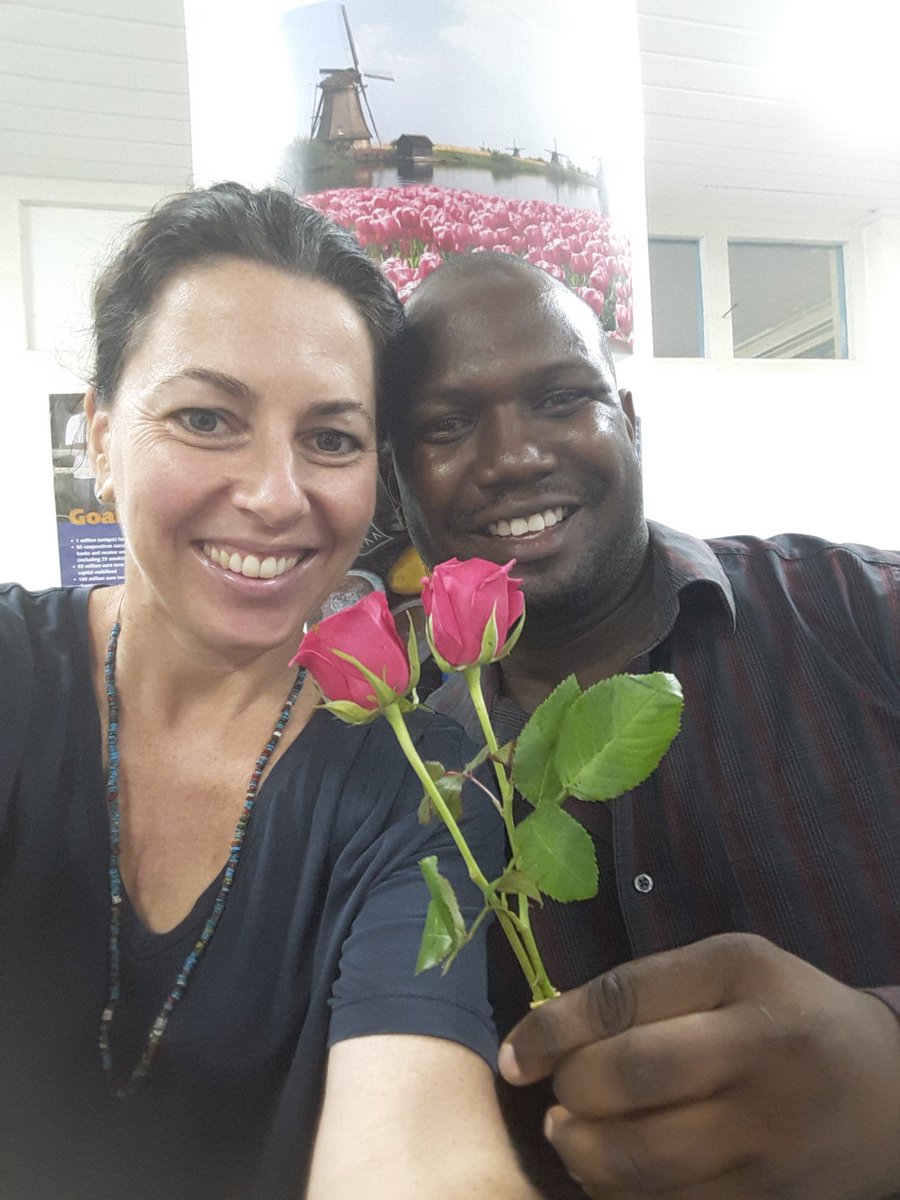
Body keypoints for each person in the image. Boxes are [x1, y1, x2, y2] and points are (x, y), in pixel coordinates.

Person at [0, 185, 540, 1200]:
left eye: (331, 439)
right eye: (207, 418)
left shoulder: (419, 789)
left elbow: (416, 1148)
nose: (274, 495)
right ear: (102, 436)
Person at [384, 250, 900, 1200]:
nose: (512, 458)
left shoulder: (866, 619)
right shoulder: (393, 773)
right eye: (447, 424)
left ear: (630, 420)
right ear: (396, 477)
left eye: (560, 398)